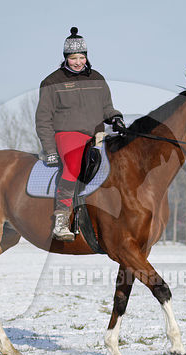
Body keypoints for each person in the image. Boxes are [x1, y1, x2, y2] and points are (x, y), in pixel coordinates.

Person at [36, 27, 125, 241]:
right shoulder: (52, 82)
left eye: (82, 57)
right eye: (73, 57)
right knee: (74, 166)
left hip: (96, 136)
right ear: (66, 58)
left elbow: (107, 108)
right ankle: (61, 219)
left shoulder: (98, 78)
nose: (78, 62)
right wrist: (50, 150)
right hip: (67, 134)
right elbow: (43, 119)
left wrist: (116, 117)